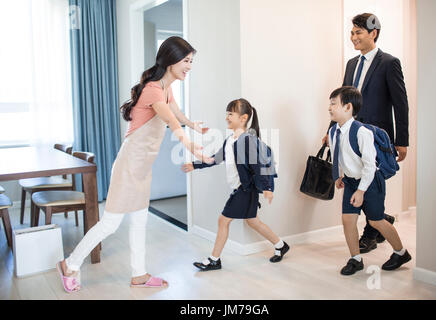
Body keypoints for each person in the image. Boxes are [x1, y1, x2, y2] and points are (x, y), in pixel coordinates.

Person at [56, 36, 212, 292]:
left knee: (140, 220)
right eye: (186, 61)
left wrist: (193, 124)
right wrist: (189, 144)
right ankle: (70, 264)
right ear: (171, 59)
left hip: (142, 168)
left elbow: (177, 114)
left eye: (191, 61)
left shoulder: (166, 87)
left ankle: (138, 274)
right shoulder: (153, 89)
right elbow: (171, 121)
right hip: (129, 166)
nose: (189, 66)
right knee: (110, 223)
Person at [323, 13, 409, 253]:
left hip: (376, 136)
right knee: (354, 179)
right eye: (351, 33)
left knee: (371, 181)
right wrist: (331, 131)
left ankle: (372, 231)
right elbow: (343, 101)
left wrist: (402, 141)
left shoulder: (389, 63)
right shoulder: (351, 63)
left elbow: (401, 104)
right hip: (350, 134)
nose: (353, 37)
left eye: (358, 32)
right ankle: (379, 220)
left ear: (373, 33)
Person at [182, 98, 289, 271]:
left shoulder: (248, 140)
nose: (227, 117)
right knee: (253, 222)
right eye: (227, 114)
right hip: (242, 189)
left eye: (231, 114)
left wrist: (268, 188)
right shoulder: (230, 140)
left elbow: (260, 165)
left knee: (223, 220)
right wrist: (195, 164)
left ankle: (214, 260)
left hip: (245, 190)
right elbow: (215, 159)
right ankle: (281, 245)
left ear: (243, 118)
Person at [328, 86, 411, 276]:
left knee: (376, 221)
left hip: (371, 181)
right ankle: (355, 259)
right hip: (350, 182)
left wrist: (361, 190)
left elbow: (370, 166)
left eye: (334, 103)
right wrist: (338, 176)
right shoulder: (333, 132)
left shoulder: (362, 132)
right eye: (329, 104)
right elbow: (339, 156)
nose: (330, 108)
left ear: (348, 107)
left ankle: (401, 253)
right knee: (347, 220)